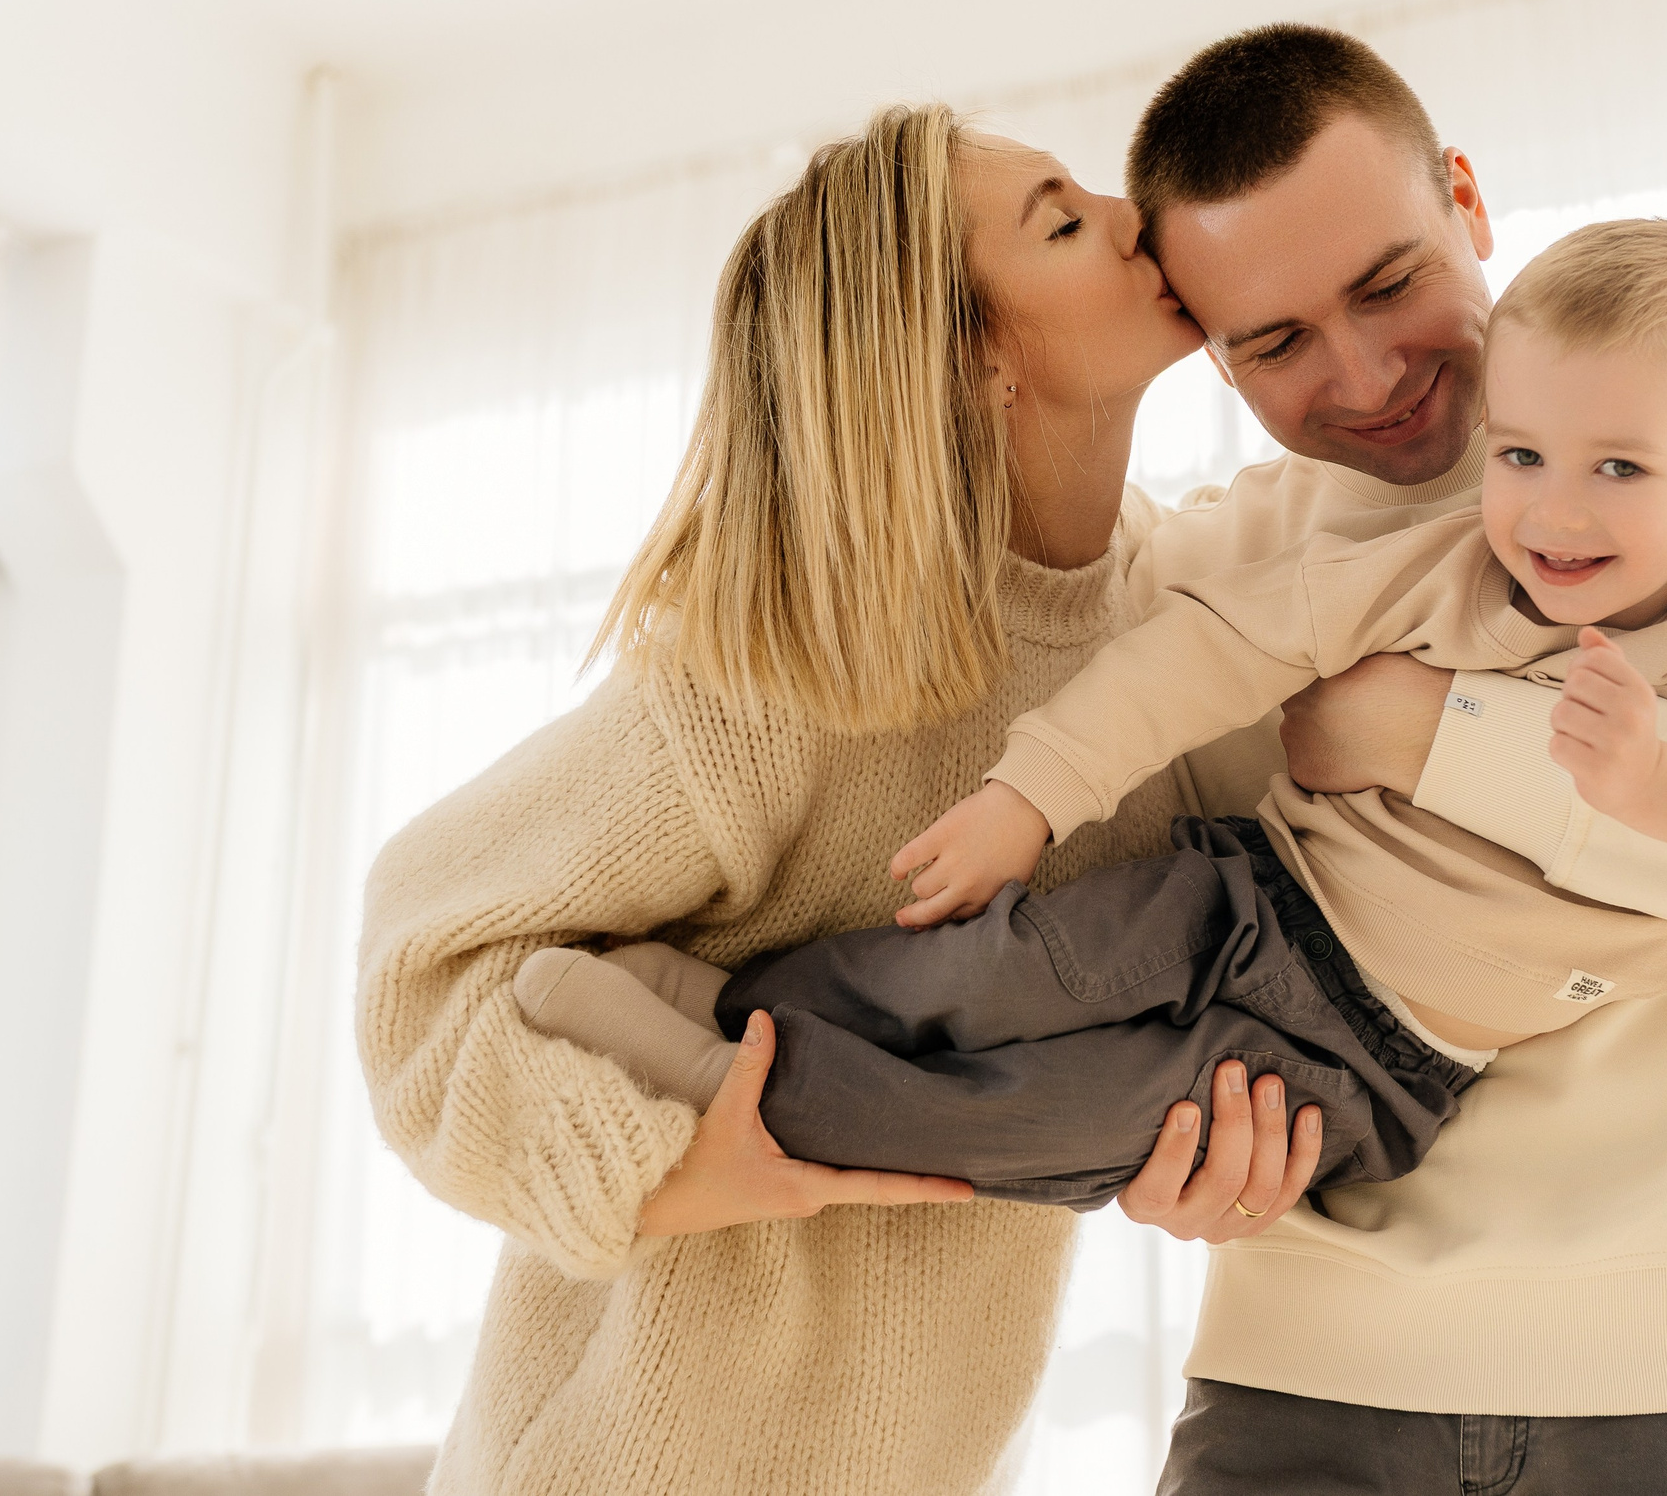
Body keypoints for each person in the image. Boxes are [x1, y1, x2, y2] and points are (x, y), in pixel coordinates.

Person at [512, 219, 1667, 1230]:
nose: (1555, 511)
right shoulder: (1447, 569)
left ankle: (726, 1076)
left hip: (1386, 1060)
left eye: (1619, 468)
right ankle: (736, 1002)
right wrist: (1034, 794)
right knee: (999, 971)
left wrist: (1665, 783)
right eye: (1522, 457)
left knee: (1049, 1122)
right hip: (1251, 902)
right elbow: (1220, 648)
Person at [1107, 26, 1667, 1493]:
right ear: (1204, 343)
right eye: (1275, 341)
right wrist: (1169, 1133)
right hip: (1299, 1390)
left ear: (1467, 199)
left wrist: (1425, 737)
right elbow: (1157, 938)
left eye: (1389, 283)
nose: (1367, 372)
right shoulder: (1220, 567)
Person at [355, 104, 1212, 1495]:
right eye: (1062, 221)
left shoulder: (1187, 622)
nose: (1134, 217)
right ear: (972, 353)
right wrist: (665, 1164)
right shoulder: (791, 673)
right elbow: (423, 945)